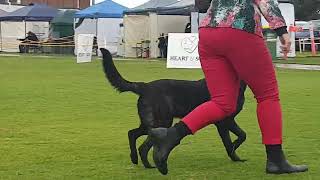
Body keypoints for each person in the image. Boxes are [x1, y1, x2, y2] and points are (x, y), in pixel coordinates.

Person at [149, 0, 308, 175]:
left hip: (209, 32)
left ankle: (170, 135)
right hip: (241, 29)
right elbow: (265, 2)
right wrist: (281, 30)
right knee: (268, 96)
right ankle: (276, 160)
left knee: (222, 103)